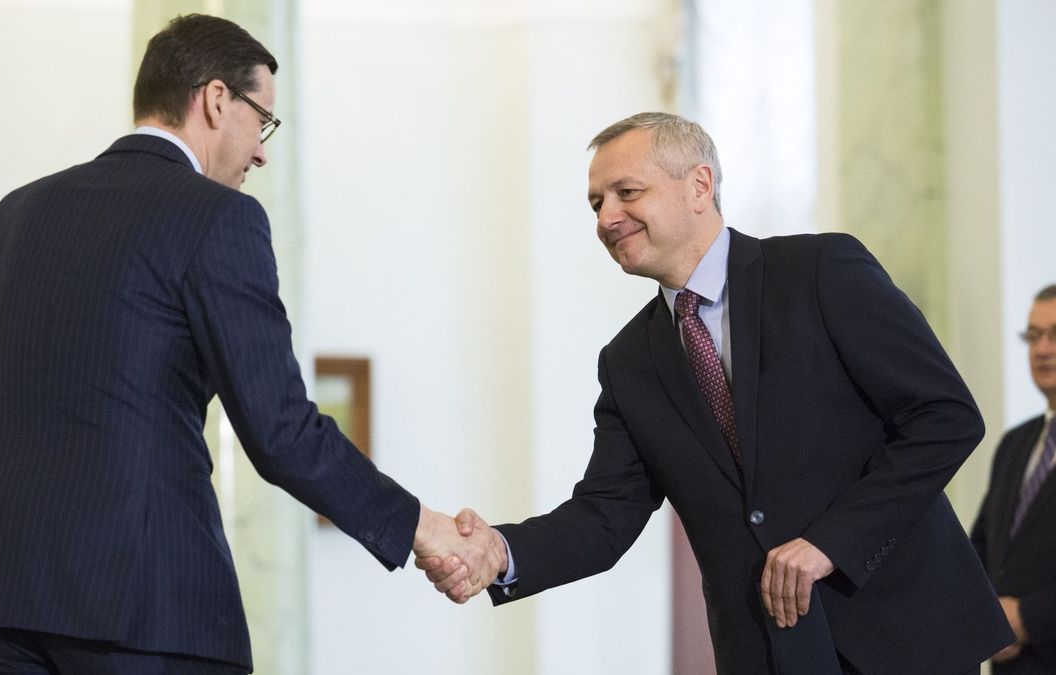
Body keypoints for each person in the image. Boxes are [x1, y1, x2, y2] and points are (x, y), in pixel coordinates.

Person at [0, 14, 498, 674]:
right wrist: (424, 528)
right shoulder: (221, 217)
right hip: (146, 609)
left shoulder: (21, 211)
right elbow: (281, 430)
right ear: (216, 99)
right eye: (262, 121)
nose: (262, 151)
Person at [419, 112, 1014, 674]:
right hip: (766, 651)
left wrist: (828, 544)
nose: (606, 218)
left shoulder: (819, 270)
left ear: (699, 185)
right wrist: (500, 552)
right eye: (597, 203)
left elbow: (945, 418)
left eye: (627, 193)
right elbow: (605, 516)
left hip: (907, 632)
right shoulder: (628, 362)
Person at [971, 284, 1056, 673]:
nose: (1041, 349)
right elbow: (982, 548)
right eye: (1033, 335)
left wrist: (1026, 616)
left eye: (1055, 335)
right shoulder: (1015, 444)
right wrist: (983, 616)